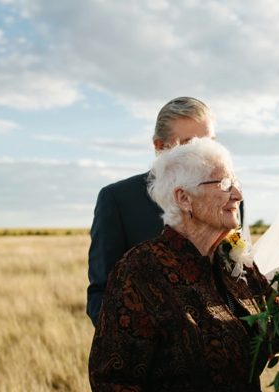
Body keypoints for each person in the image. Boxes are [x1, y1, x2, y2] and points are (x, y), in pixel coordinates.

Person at [88, 138, 279, 392]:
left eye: (236, 182)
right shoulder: (141, 271)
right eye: (223, 184)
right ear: (184, 198)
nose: (238, 194)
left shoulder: (236, 264)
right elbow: (113, 382)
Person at [86, 97, 245, 326]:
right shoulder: (118, 199)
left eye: (209, 142)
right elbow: (102, 291)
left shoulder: (231, 197)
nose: (204, 152)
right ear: (160, 147)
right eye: (190, 143)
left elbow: (241, 281)